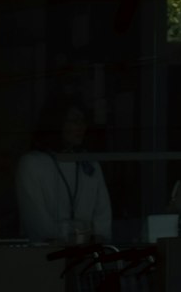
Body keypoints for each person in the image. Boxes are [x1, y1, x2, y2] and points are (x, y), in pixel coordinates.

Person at [16, 101, 114, 245]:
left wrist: (93, 235)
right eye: (74, 121)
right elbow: (37, 221)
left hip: (88, 251)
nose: (81, 127)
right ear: (57, 123)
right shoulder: (32, 164)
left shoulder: (89, 164)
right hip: (47, 254)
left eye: (83, 121)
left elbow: (103, 216)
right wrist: (73, 232)